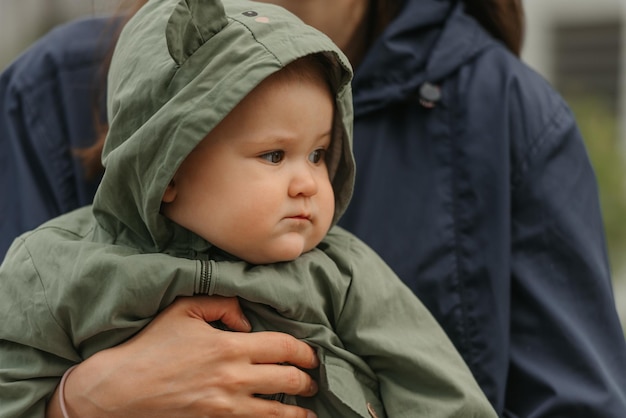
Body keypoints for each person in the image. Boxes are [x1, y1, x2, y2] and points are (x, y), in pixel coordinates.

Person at [2, 0, 625, 417]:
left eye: (321, 155)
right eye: (273, 155)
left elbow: (438, 388)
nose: (306, 182)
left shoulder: (346, 270)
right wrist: (78, 401)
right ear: (167, 169)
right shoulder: (55, 252)